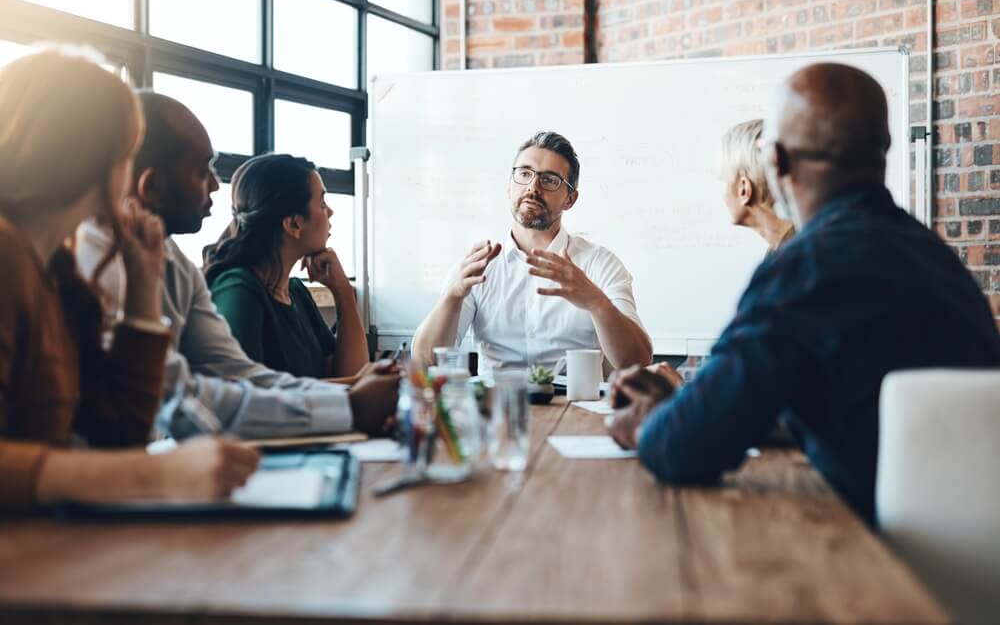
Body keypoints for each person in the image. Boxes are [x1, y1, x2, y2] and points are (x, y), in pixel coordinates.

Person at [608, 63, 1000, 527]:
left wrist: (649, 422)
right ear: (884, 152)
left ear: (776, 163)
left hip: (878, 557)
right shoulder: (931, 256)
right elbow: (836, 405)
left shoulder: (805, 270)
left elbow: (686, 448)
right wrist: (683, 404)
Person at [0, 47, 259, 508]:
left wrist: (143, 289)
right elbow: (126, 459)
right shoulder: (7, 256)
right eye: (126, 154)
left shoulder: (59, 276)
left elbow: (118, 431)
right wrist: (148, 474)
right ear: (92, 160)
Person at [76, 92, 398, 439]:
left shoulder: (177, 264)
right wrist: (349, 404)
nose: (216, 185)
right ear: (150, 186)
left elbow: (241, 375)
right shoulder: (96, 263)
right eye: (203, 171)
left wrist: (351, 395)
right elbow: (178, 399)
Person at [412, 131, 652, 375]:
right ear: (509, 186)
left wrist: (596, 302)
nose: (533, 187)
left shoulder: (599, 264)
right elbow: (425, 360)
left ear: (570, 199)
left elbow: (638, 360)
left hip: (576, 408)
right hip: (497, 406)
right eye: (524, 173)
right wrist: (452, 296)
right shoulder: (478, 265)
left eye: (549, 180)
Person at [203, 153, 366, 380]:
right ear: (294, 224)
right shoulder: (239, 291)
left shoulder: (297, 293)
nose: (330, 212)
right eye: (321, 203)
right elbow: (247, 394)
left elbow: (350, 375)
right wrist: (366, 387)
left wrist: (343, 292)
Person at [720, 118, 795, 252]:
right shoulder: (782, 251)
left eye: (725, 179)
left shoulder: (793, 259)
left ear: (744, 189)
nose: (723, 195)